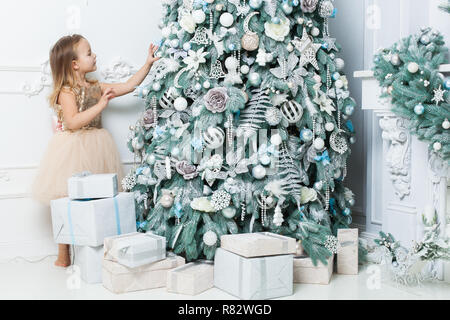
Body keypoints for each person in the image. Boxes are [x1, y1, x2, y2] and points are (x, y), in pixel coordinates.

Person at [32, 34, 160, 267]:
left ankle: (98, 246)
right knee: (67, 198)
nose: (94, 55)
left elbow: (129, 85)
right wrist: (101, 105)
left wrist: (147, 64)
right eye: (89, 53)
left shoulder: (95, 87)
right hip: (72, 148)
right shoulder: (67, 91)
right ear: (75, 64)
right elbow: (72, 122)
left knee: (99, 197)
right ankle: (63, 252)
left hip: (98, 147)